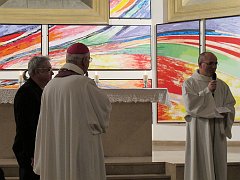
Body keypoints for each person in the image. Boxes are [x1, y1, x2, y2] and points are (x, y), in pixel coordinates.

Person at [33, 43, 112, 180]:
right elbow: (103, 109)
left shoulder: (50, 86)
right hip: (78, 147)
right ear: (84, 61)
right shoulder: (84, 84)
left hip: (56, 148)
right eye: (88, 60)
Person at [182, 52, 236, 180]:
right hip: (199, 128)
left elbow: (230, 104)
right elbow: (190, 106)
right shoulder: (189, 83)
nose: (214, 66)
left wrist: (225, 111)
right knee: (200, 159)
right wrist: (207, 91)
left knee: (218, 160)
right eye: (210, 63)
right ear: (200, 64)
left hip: (218, 127)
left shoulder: (222, 85)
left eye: (216, 63)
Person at [13, 56, 53, 180]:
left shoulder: (37, 90)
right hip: (29, 151)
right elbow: (25, 126)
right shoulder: (26, 92)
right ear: (37, 72)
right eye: (48, 69)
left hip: (37, 148)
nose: (52, 73)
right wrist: (32, 153)